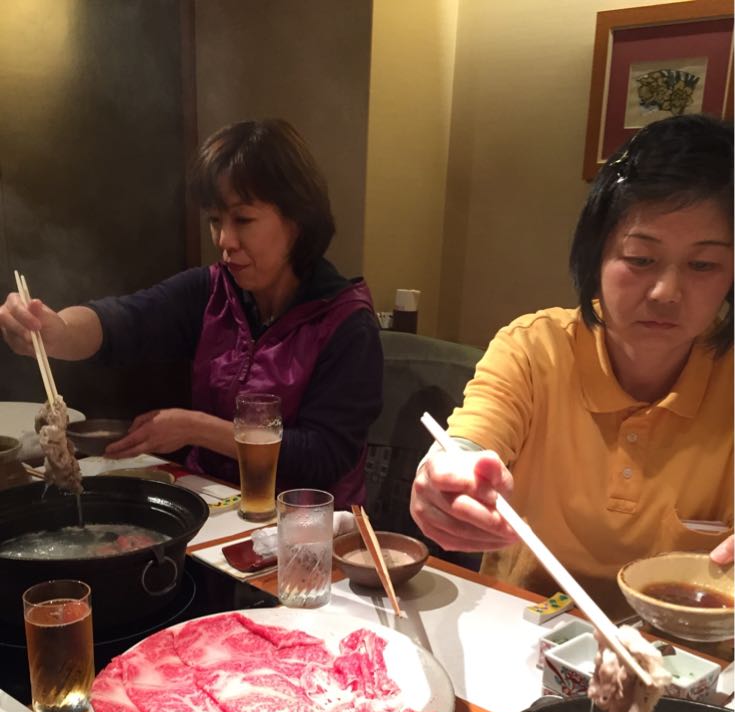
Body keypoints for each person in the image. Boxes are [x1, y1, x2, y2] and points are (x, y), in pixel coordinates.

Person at [410, 113, 733, 618]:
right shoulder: (534, 349)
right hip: (521, 631)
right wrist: (447, 481)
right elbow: (470, 440)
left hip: (683, 652)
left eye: (703, 265)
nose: (666, 292)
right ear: (595, 256)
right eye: (640, 259)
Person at [0, 119, 383, 509]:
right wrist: (56, 330)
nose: (224, 240)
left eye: (243, 220)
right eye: (215, 220)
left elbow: (323, 456)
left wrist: (196, 428)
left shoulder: (346, 322)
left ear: (297, 221)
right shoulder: (213, 290)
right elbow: (126, 321)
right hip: (217, 506)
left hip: (308, 525)